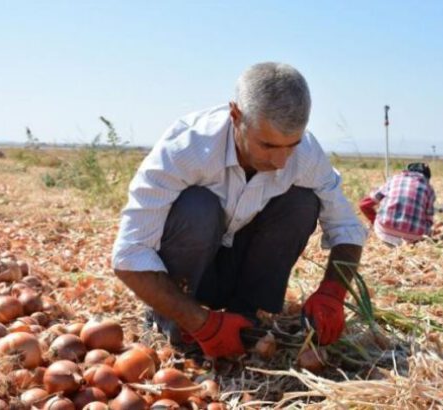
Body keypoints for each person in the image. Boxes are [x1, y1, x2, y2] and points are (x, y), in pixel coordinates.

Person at [111, 62, 366, 359]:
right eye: (268, 145)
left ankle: (248, 317)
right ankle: (180, 323)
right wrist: (201, 322)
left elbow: (347, 228)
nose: (281, 161)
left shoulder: (306, 154)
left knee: (302, 202)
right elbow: (129, 255)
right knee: (198, 208)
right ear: (236, 116)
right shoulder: (187, 149)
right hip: (188, 275)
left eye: (292, 145)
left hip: (242, 267)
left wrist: (333, 293)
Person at [359, 163, 435, 246]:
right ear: (427, 177)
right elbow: (429, 220)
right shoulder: (429, 189)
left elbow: (364, 204)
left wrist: (374, 221)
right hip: (413, 238)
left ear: (407, 171)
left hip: (385, 231)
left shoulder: (394, 180)